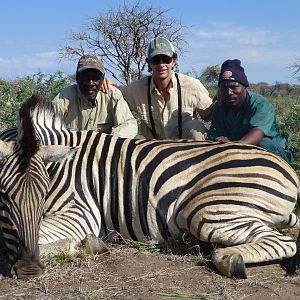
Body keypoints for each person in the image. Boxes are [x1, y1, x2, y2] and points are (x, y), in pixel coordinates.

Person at [121, 37, 214, 140]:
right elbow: (115, 99)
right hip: (151, 151)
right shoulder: (135, 90)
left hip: (187, 150)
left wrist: (224, 96)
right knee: (135, 138)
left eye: (166, 60)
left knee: (197, 128)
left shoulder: (192, 85)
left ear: (174, 61)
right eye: (156, 61)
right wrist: (105, 83)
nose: (161, 65)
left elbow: (209, 115)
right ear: (149, 63)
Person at [207, 59, 293, 163]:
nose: (229, 92)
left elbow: (257, 134)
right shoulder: (220, 107)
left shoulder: (260, 104)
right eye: (224, 88)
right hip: (233, 150)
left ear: (245, 87)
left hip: (267, 151)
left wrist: (232, 146)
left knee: (264, 143)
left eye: (234, 87)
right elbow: (215, 135)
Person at [52, 54, 138, 139]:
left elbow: (128, 123)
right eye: (86, 77)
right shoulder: (63, 98)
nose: (90, 83)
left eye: (96, 78)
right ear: (77, 78)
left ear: (103, 79)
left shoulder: (112, 95)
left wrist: (109, 142)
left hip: (104, 150)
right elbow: (48, 126)